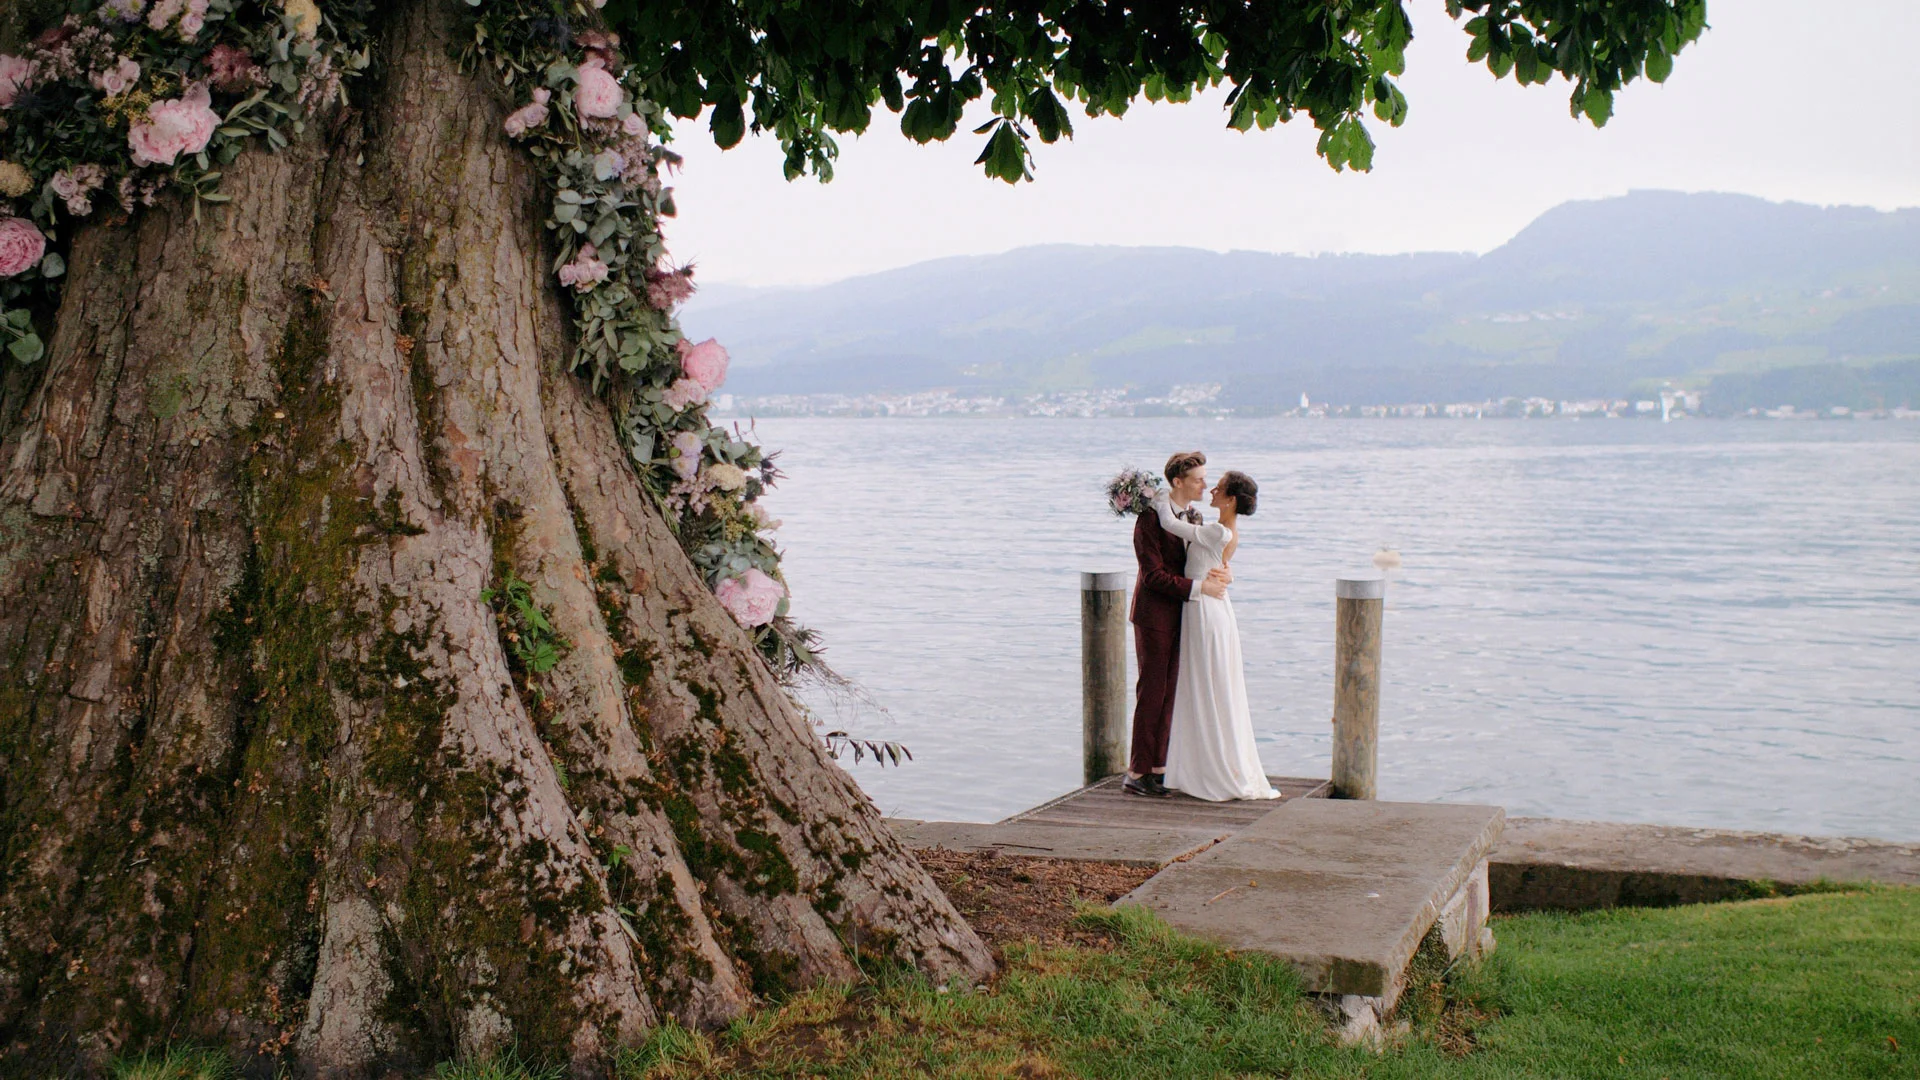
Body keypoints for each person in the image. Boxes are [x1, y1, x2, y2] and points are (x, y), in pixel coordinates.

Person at [1152, 471, 1281, 802]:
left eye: (1219, 488)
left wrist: (1154, 498)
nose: (1211, 489)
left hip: (1205, 611)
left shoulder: (1216, 530)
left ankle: (1209, 768)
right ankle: (1205, 763)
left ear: (1231, 499)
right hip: (1209, 607)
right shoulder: (1226, 531)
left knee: (1205, 683)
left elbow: (1169, 524)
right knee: (1207, 684)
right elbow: (1218, 563)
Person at [1124, 451, 1230, 799]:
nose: (1204, 484)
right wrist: (1200, 589)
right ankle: (1136, 771)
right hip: (1154, 615)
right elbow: (1153, 576)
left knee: (1172, 691)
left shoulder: (1194, 517)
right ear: (1178, 481)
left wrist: (1218, 574)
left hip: (1185, 612)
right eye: (1198, 479)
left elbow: (1200, 560)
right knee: (1152, 691)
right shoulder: (1149, 519)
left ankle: (1159, 768)